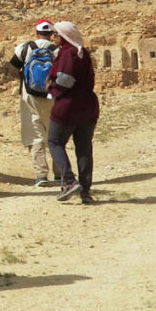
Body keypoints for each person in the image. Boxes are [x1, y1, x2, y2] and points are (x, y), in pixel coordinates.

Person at [46, 20, 99, 204]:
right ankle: (85, 191)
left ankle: (69, 181)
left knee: (54, 141)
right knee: (84, 149)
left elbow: (66, 80)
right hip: (88, 108)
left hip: (68, 107)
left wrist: (51, 87)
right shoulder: (82, 53)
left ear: (63, 36)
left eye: (55, 34)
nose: (53, 37)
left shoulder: (68, 53)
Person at [9, 20, 59, 187]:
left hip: (29, 96)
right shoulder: (57, 50)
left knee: (36, 133)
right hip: (53, 96)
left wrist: (24, 80)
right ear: (51, 35)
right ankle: (59, 172)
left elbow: (12, 70)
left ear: (36, 32)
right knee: (54, 133)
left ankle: (41, 175)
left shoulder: (24, 48)